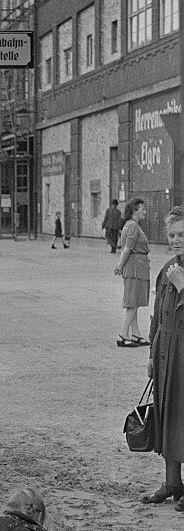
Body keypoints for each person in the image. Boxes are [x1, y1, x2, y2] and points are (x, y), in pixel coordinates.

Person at [141, 206, 184, 509]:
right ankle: (172, 482)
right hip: (165, 350)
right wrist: (151, 356)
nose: (176, 240)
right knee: (167, 413)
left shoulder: (178, 274)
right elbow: (156, 317)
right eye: (172, 235)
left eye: (182, 234)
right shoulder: (166, 268)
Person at [114, 197, 150, 347]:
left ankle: (135, 334)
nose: (144, 212)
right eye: (142, 209)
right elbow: (127, 249)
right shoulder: (133, 226)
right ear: (135, 211)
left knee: (134, 301)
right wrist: (119, 266)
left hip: (136, 266)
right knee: (133, 302)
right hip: (135, 267)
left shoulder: (129, 225)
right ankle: (122, 335)